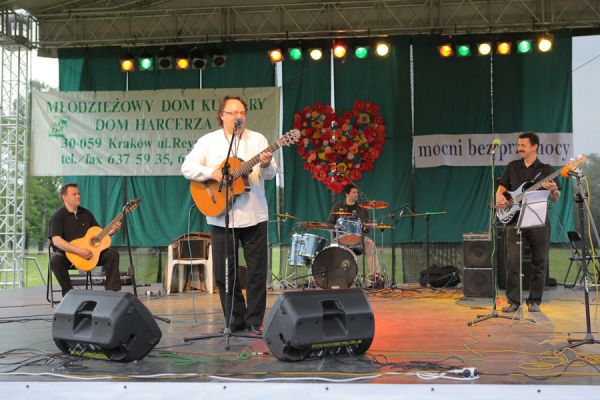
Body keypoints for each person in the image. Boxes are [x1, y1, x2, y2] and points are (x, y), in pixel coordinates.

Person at [181, 95, 276, 334]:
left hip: (254, 215)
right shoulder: (208, 141)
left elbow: (270, 174)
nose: (238, 116)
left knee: (256, 272)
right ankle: (234, 320)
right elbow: (187, 168)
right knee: (225, 273)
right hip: (220, 216)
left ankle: (254, 321)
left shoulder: (258, 139)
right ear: (222, 115)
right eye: (233, 112)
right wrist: (213, 174)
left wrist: (265, 164)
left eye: (242, 112)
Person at [496, 132, 560, 313]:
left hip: (538, 220)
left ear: (534, 147)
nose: (519, 148)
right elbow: (501, 188)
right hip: (514, 220)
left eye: (523, 145)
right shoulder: (512, 166)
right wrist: (499, 196)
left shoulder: (547, 170)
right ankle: (513, 301)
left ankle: (534, 301)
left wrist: (553, 189)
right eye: (518, 145)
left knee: (539, 261)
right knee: (512, 262)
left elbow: (555, 197)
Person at [49, 183, 122, 296]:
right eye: (74, 194)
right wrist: (79, 251)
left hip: (90, 254)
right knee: (55, 260)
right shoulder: (57, 216)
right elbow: (57, 241)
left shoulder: (86, 214)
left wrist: (112, 231)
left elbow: (98, 237)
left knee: (112, 254)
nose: (78, 196)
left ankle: (112, 293)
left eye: (78, 194)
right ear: (64, 197)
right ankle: (69, 294)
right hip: (67, 255)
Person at [327, 183, 380, 282]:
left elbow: (367, 228)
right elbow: (329, 224)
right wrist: (336, 229)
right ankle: (341, 279)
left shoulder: (362, 209)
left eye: (357, 192)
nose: (356, 194)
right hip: (341, 239)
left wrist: (365, 227)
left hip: (358, 239)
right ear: (347, 194)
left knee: (370, 243)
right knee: (333, 248)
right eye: (354, 192)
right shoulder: (337, 207)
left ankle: (376, 277)